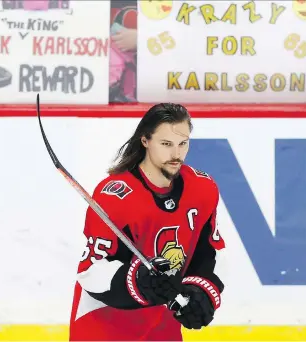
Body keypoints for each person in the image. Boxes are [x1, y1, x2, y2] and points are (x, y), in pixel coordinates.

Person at [69, 103, 225, 341]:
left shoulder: (202, 189)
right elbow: (91, 272)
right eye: (166, 144)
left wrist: (198, 291)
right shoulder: (115, 195)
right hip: (104, 327)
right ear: (145, 141)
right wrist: (139, 283)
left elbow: (205, 254)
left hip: (161, 327)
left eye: (183, 144)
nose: (176, 154)